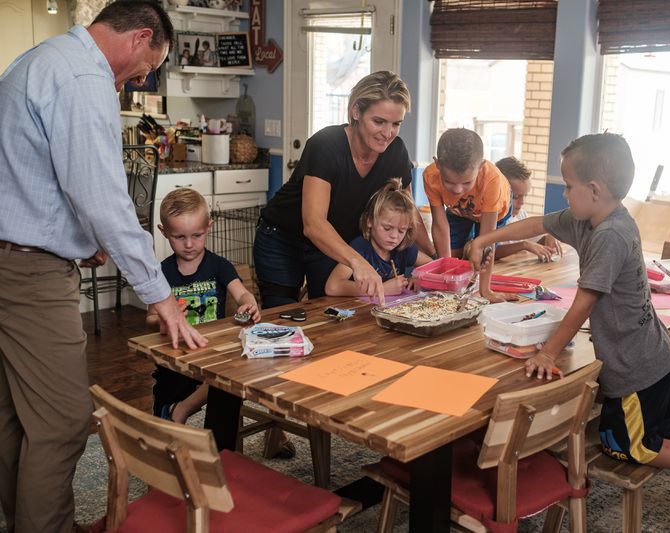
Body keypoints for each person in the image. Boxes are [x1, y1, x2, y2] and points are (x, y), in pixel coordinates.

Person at [467, 133, 670, 531]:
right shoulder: (595, 217)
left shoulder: (608, 235)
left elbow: (584, 302)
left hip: (636, 369)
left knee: (628, 444)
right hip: (657, 359)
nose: (565, 194)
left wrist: (548, 353)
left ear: (594, 189)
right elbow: (538, 222)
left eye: (569, 186)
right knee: (660, 431)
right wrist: (485, 237)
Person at [0, 2, 207, 531]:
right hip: (27, 275)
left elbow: (35, 177)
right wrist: (160, 294)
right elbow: (104, 198)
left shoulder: (39, 61)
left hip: (11, 256)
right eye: (141, 73)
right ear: (140, 37)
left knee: (14, 417)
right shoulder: (81, 79)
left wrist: (77, 239)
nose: (131, 84)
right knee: (66, 423)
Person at [254, 70, 433, 308]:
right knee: (282, 316)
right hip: (283, 239)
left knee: (328, 311)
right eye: (378, 121)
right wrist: (358, 262)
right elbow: (314, 224)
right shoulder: (326, 144)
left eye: (396, 124)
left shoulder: (396, 151)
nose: (387, 133)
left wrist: (435, 259)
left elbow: (409, 214)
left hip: (333, 242)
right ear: (356, 111)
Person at [146, 189, 261, 425]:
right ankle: (173, 419)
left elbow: (242, 294)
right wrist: (166, 318)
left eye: (197, 235)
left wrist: (249, 305)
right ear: (163, 231)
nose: (189, 244)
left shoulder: (219, 266)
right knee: (166, 417)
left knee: (228, 380)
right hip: (175, 357)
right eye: (179, 237)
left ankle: (212, 442)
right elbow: (149, 318)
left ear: (209, 227)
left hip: (211, 353)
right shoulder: (161, 273)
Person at [423, 128, 515, 302]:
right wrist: (446, 278)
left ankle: (479, 284)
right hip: (459, 210)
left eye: (466, 182)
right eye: (449, 181)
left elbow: (488, 238)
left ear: (480, 167)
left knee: (480, 255)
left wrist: (486, 291)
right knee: (455, 256)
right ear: (438, 164)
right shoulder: (430, 176)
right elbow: (440, 226)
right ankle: (459, 280)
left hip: (495, 211)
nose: (457, 190)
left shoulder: (491, 179)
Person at [325, 179, 432, 297]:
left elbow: (431, 264)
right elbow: (332, 287)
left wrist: (417, 277)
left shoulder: (403, 248)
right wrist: (382, 289)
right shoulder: (360, 248)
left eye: (402, 230)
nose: (394, 236)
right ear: (370, 221)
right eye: (387, 228)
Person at [493, 156, 561, 261]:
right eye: (515, 197)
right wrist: (524, 245)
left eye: (525, 195)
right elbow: (491, 251)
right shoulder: (492, 217)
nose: (522, 202)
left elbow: (534, 241)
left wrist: (548, 238)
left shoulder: (521, 214)